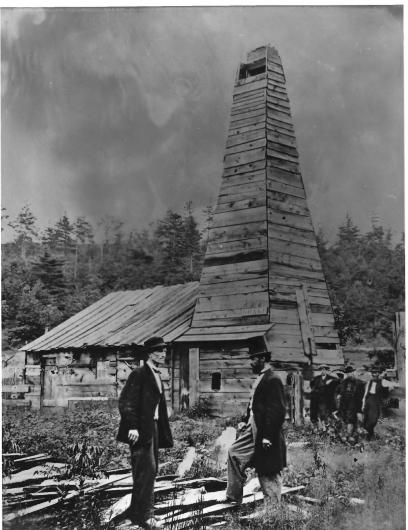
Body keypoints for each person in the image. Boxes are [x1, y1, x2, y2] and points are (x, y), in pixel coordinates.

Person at [117, 336, 173, 529]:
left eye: (164, 350)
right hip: (140, 430)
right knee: (145, 470)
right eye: (159, 351)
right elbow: (126, 402)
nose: (163, 354)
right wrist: (132, 426)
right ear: (150, 354)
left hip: (154, 428)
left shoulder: (157, 374)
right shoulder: (139, 374)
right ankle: (143, 516)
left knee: (151, 470)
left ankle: (141, 512)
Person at [225, 344, 286, 507]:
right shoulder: (260, 378)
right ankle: (233, 497)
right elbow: (254, 405)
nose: (250, 362)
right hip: (253, 426)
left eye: (253, 359)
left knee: (269, 466)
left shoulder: (273, 379)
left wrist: (267, 436)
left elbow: (277, 411)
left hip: (265, 429)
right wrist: (245, 420)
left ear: (263, 359)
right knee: (234, 453)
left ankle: (273, 509)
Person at [338, 365, 364, 442]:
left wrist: (359, 409)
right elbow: (340, 392)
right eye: (348, 373)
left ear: (354, 372)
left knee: (351, 420)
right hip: (344, 404)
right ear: (346, 374)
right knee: (343, 419)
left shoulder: (358, 383)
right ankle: (344, 435)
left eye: (351, 372)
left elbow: (361, 396)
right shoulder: (343, 382)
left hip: (353, 404)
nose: (350, 374)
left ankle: (349, 436)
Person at [362, 364, 385, 440]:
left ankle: (369, 435)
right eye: (373, 373)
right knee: (366, 419)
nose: (374, 374)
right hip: (369, 401)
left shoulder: (382, 382)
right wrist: (363, 404)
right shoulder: (370, 382)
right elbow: (365, 393)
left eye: (376, 373)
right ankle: (369, 437)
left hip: (376, 402)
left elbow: (386, 393)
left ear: (378, 373)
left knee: (373, 420)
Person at [310, 364, 335, 430]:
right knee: (316, 413)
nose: (323, 371)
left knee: (324, 413)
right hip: (317, 399)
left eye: (324, 370)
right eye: (322, 370)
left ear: (326, 370)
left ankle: (326, 427)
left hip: (326, 400)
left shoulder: (331, 379)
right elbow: (312, 386)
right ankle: (318, 427)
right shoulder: (316, 379)